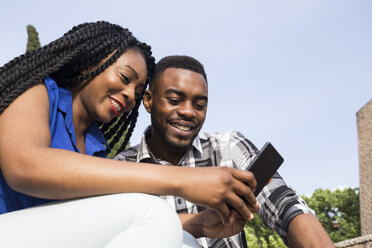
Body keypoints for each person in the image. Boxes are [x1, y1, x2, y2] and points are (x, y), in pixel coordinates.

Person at [0, 22, 259, 247]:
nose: (129, 96)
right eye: (125, 77)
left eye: (136, 92)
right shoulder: (37, 93)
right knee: (153, 211)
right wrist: (185, 179)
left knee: (186, 242)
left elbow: (100, 223)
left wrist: (200, 223)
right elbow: (24, 166)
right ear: (89, 63)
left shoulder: (95, 149)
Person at [114, 55, 336, 248]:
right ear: (148, 101)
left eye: (200, 105)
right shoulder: (121, 168)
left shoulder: (227, 148)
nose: (188, 112)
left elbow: (283, 203)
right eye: (174, 100)